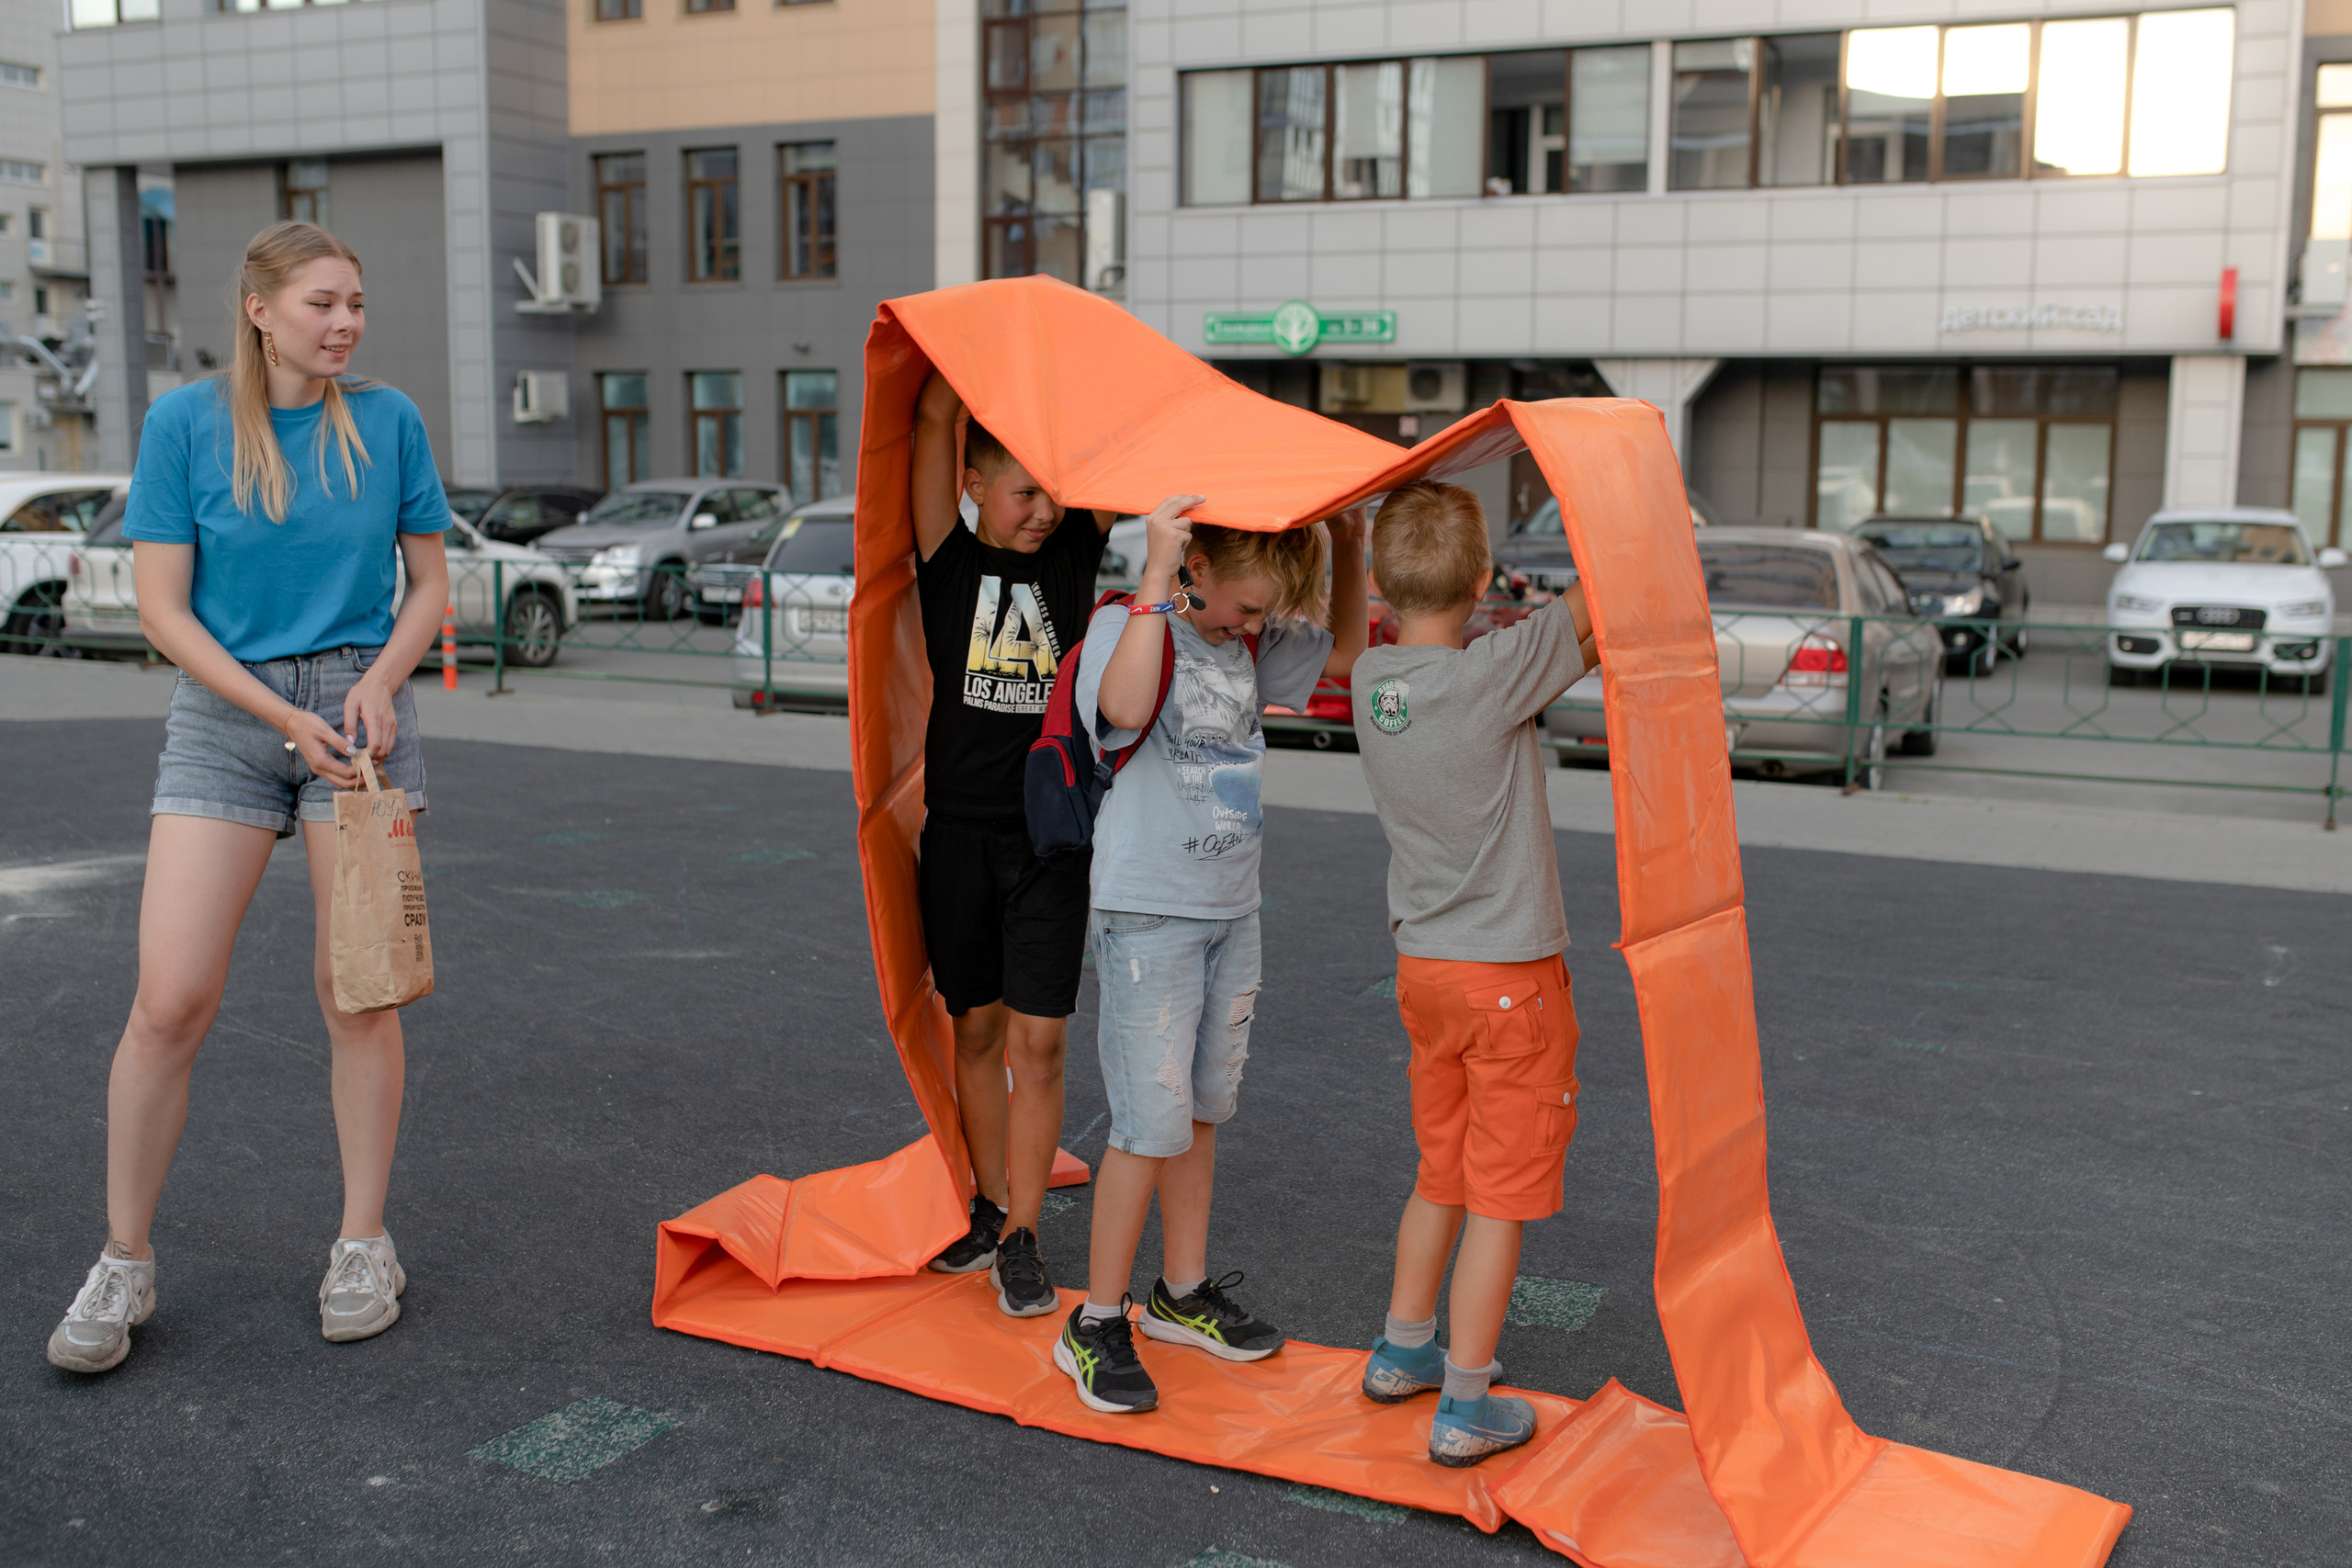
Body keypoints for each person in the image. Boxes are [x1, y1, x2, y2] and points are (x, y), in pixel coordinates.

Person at [45, 221, 453, 1373]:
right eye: (324, 302)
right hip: (228, 720)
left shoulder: (388, 421)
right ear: (261, 309)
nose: (345, 323)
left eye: (357, 303)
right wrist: (282, 721)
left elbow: (429, 584)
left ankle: (363, 1242)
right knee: (169, 999)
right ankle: (124, 1259)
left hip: (362, 711)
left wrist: (377, 682)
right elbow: (165, 612)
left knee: (356, 996)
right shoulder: (183, 426)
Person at [1054, 496, 1368, 1415]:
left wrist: (1347, 547)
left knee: (1199, 1111)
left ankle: (1178, 1296)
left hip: (1231, 911)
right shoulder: (1128, 625)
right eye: (1245, 605)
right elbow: (1115, 706)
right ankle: (1097, 1320)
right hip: (1149, 912)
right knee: (1145, 1125)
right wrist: (1154, 572)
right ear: (1194, 568)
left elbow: (1343, 656)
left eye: (1265, 612)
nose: (1253, 625)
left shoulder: (1244, 646)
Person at [1345, 480, 1598, 1465]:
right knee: (1500, 1193)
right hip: (1509, 982)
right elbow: (1601, 603)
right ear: (1483, 577)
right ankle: (1465, 1400)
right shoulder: (1492, 674)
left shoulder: (1375, 679)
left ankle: (1400, 1350)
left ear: (1378, 580)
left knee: (1440, 1172)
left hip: (1425, 974)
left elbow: (1557, 647)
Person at [909, 374, 1116, 1317]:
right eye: (1020, 491)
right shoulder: (947, 562)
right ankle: (989, 1203)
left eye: (1051, 492)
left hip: (1049, 838)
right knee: (977, 1027)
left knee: (1040, 1041)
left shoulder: (1074, 550)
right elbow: (935, 415)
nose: (1042, 510)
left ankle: (1026, 1233)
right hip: (957, 836)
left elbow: (1112, 441)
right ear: (972, 486)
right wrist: (963, 367)